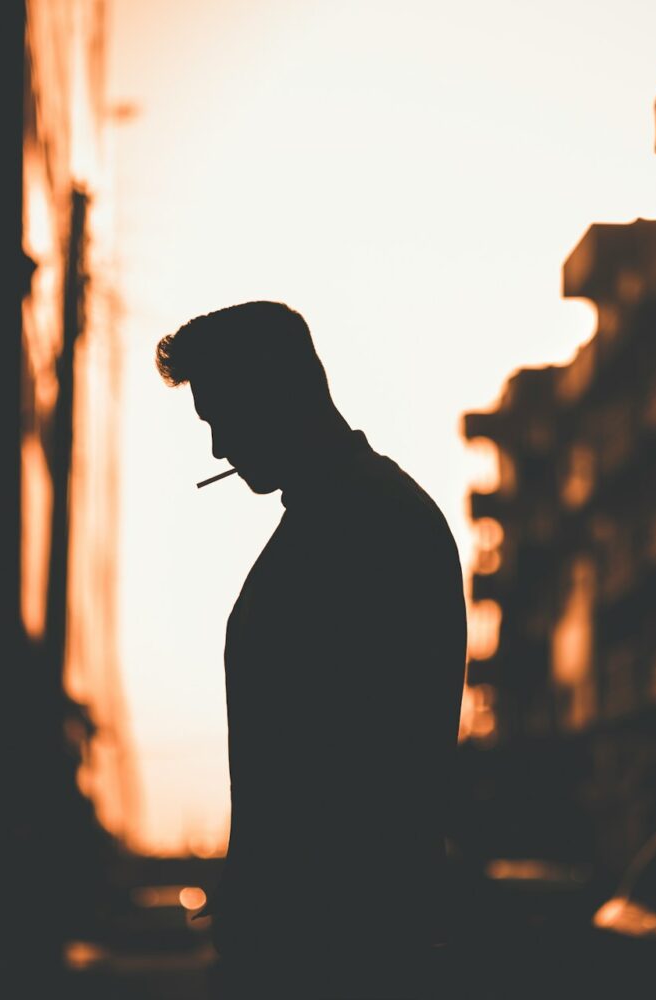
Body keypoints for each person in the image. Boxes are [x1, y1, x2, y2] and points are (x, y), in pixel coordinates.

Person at [157, 301, 467, 998]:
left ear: (275, 393)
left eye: (221, 418)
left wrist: (273, 919)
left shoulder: (370, 523)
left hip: (336, 947)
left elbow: (355, 769)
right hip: (318, 938)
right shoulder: (350, 514)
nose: (218, 449)